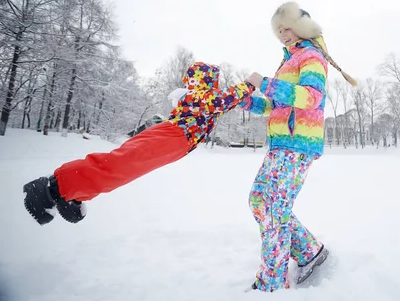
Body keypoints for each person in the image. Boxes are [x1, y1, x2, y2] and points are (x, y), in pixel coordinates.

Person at [22, 62, 255, 226]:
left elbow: (226, 103)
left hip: (175, 140)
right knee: (121, 165)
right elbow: (224, 99)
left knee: (124, 166)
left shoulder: (203, 101)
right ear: (205, 82)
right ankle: (53, 189)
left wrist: (250, 98)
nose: (215, 87)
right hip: (173, 136)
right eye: (212, 82)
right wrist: (250, 84)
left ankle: (75, 192)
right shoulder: (201, 96)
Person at [242, 1, 356, 291]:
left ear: (301, 26)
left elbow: (310, 98)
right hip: (280, 144)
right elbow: (274, 105)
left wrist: (266, 82)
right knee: (260, 201)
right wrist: (245, 100)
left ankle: (272, 284)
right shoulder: (287, 62)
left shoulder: (312, 56)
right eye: (278, 30)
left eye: (287, 27)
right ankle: (310, 252)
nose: (282, 34)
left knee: (274, 210)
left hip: (298, 144)